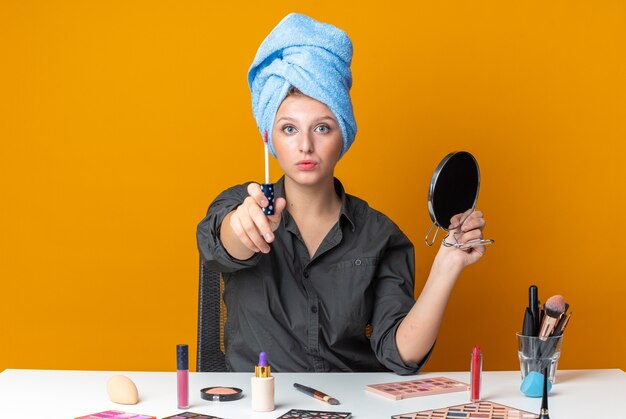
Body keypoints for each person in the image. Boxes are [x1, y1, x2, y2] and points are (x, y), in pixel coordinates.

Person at [196, 13, 486, 374]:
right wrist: (244, 227)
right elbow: (222, 247)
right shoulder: (238, 205)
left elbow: (402, 354)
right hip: (260, 402)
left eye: (322, 127)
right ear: (269, 137)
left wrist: (448, 264)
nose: (305, 145)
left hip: (351, 405)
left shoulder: (380, 235)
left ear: (343, 135)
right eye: (288, 129)